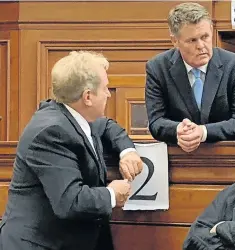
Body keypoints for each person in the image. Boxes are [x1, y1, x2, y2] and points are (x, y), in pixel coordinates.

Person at [0, 51, 143, 250]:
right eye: (105, 88)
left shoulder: (71, 116)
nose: (109, 94)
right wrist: (111, 194)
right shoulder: (51, 133)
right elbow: (70, 201)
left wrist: (127, 151)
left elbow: (107, 126)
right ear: (87, 97)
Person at [145, 2, 235, 152]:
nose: (201, 45)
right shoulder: (158, 68)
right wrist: (178, 129)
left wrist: (203, 132)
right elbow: (156, 121)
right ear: (175, 41)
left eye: (205, 37)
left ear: (211, 30)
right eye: (192, 40)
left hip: (228, 158)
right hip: (179, 160)